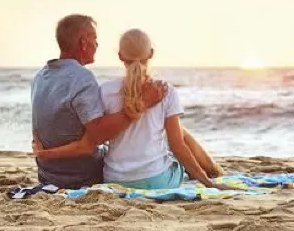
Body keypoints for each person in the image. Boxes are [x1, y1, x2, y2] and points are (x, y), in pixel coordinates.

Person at [33, 28, 229, 190]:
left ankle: (213, 171)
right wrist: (206, 183)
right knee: (177, 135)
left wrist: (47, 151)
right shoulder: (165, 91)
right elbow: (178, 148)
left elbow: (97, 134)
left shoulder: (105, 91)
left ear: (120, 56)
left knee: (170, 132)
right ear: (151, 53)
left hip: (115, 179)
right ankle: (214, 172)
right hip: (155, 180)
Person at [31, 15, 166, 189]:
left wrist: (45, 154)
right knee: (169, 141)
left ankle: (209, 170)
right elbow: (97, 135)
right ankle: (208, 173)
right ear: (83, 43)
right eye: (94, 39)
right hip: (81, 175)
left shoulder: (40, 76)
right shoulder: (82, 78)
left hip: (46, 174)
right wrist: (144, 103)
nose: (97, 45)